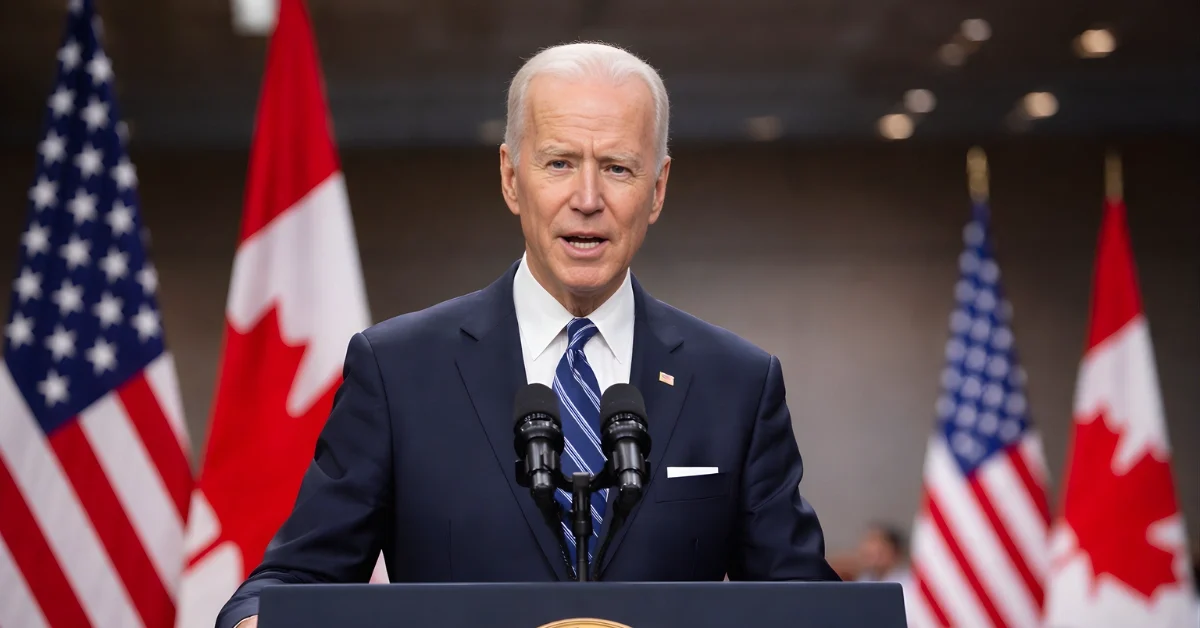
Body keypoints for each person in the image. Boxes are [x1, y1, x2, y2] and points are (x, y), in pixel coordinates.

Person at [217, 41, 839, 628]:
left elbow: (807, 602)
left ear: (658, 189)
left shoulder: (736, 382)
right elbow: (295, 578)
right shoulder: (397, 371)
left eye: (618, 168)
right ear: (512, 178)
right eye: (560, 162)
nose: (587, 197)